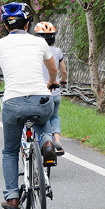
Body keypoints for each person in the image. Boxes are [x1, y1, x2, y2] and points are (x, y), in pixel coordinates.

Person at [0, 2, 60, 209]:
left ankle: (12, 196)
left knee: (10, 151)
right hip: (41, 99)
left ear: (5, 25)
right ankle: (48, 142)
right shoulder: (40, 43)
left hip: (13, 103)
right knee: (42, 121)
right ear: (28, 23)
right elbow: (52, 69)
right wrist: (51, 82)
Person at [34, 22, 68, 155]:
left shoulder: (34, 51)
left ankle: (39, 141)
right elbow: (63, 71)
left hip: (38, 91)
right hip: (54, 91)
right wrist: (63, 80)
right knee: (54, 116)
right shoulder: (58, 51)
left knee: (37, 117)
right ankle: (57, 140)